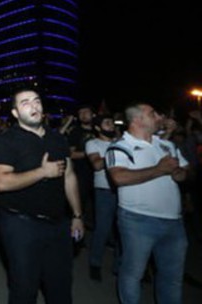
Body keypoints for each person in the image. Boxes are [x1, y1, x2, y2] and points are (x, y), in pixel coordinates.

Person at [0, 88, 84, 304]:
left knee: (60, 289)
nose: (34, 106)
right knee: (24, 290)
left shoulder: (58, 139)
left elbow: (69, 176)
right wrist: (43, 172)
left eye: (36, 101)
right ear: (15, 113)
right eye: (25, 103)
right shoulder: (6, 141)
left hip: (58, 223)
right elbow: (1, 182)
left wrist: (77, 215)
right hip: (20, 224)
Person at [106, 102, 189, 304]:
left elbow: (184, 173)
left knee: (172, 278)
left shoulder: (166, 145)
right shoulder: (120, 146)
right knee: (133, 274)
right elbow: (119, 178)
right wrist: (159, 170)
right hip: (137, 220)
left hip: (173, 222)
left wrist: (179, 173)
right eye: (152, 113)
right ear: (137, 120)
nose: (158, 116)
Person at [85, 114, 118, 282]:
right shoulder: (93, 143)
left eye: (112, 122)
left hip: (124, 191)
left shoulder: (121, 143)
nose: (111, 125)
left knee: (122, 232)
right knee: (103, 229)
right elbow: (97, 165)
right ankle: (95, 263)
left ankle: (120, 266)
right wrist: (117, 153)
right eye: (107, 123)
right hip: (104, 190)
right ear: (98, 128)